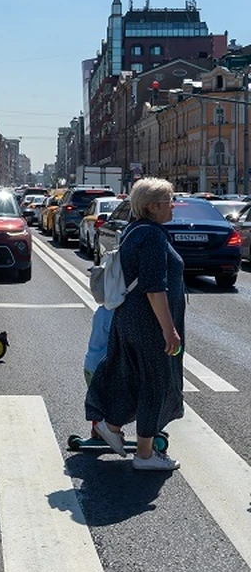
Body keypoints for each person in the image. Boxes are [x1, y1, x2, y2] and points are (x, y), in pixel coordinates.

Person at [85, 177, 184, 471]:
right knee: (155, 382)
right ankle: (145, 455)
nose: (173, 206)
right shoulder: (153, 236)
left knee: (132, 378)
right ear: (153, 206)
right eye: (169, 201)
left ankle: (111, 425)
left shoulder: (133, 230)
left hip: (129, 318)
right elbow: (154, 287)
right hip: (148, 321)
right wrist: (169, 329)